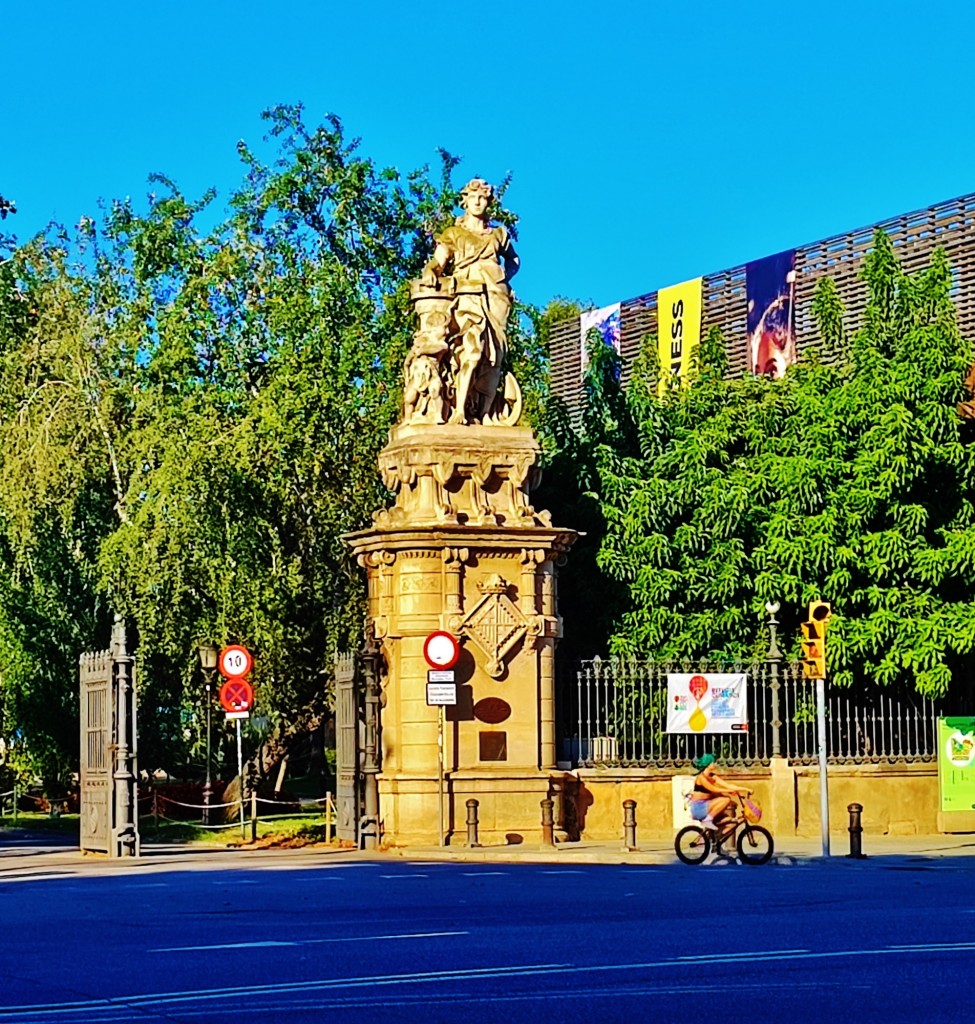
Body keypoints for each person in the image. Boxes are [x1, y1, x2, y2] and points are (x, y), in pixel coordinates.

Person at [421, 178, 519, 424]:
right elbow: (439, 261)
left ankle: (485, 413)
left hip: (495, 295)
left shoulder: (498, 234)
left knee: (494, 353)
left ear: (489, 202)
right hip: (467, 294)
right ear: (464, 201)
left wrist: (504, 278)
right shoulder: (454, 234)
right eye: (473, 196)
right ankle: (459, 410)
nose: (477, 201)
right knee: (472, 350)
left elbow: (513, 260)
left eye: (483, 197)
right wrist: (431, 271)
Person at [686, 753, 751, 832]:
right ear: (707, 764)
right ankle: (707, 820)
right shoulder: (701, 778)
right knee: (726, 799)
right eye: (712, 762)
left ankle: (713, 841)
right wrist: (729, 791)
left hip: (708, 807)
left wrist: (745, 789)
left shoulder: (713, 776)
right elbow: (713, 789)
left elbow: (728, 785)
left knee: (731, 824)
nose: (714, 764)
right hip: (699, 807)